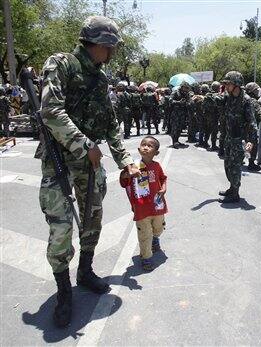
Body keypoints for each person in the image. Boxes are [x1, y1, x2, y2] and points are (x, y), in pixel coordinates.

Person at [38, 16, 140, 327]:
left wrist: (125, 160)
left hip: (90, 165)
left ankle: (85, 270)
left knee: (92, 218)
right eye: (112, 47)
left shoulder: (101, 78)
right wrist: (84, 145)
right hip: (60, 161)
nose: (113, 53)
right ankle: (63, 290)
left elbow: (110, 124)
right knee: (60, 229)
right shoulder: (62, 64)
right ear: (101, 44)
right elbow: (50, 110)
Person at [120, 136, 167, 271]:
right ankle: (146, 258)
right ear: (139, 148)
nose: (146, 147)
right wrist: (127, 174)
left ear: (156, 153)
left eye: (150, 146)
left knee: (158, 228)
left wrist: (164, 188)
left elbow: (163, 179)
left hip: (157, 205)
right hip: (141, 207)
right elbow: (124, 181)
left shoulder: (156, 166)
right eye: (143, 144)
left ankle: (156, 239)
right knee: (145, 234)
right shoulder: (133, 166)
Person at [218, 71, 257, 203]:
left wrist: (251, 141)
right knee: (228, 165)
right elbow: (217, 101)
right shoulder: (228, 97)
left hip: (239, 139)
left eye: (228, 84)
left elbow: (252, 122)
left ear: (237, 85)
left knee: (235, 167)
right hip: (229, 137)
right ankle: (232, 187)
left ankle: (235, 194)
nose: (226, 86)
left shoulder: (246, 101)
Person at [245, 82, 261, 171]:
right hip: (252, 127)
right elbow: (260, 115)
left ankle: (242, 160)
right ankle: (251, 163)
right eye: (256, 90)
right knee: (253, 144)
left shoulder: (242, 99)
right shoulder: (254, 102)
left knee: (244, 144)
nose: (258, 92)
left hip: (243, 127)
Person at [169, 82, 192, 148]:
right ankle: (174, 142)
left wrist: (188, 102)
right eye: (186, 88)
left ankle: (177, 140)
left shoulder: (186, 94)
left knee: (180, 128)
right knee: (175, 127)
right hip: (176, 113)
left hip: (183, 113)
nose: (187, 89)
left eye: (188, 88)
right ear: (182, 87)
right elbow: (170, 100)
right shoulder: (176, 92)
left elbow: (189, 101)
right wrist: (178, 102)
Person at [203, 81, 221, 150]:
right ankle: (213, 145)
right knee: (214, 131)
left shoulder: (207, 95)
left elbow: (203, 105)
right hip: (214, 116)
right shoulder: (217, 95)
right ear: (217, 88)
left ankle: (205, 142)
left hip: (207, 115)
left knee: (207, 129)